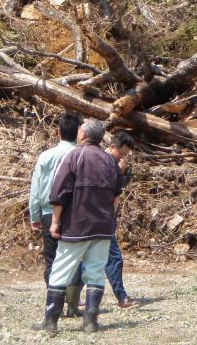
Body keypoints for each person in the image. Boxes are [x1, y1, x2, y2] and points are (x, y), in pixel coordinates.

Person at [35, 118, 123, 334]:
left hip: (77, 226)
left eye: (80, 129)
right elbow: (116, 194)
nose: (78, 132)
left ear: (83, 135)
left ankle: (50, 321)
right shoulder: (109, 159)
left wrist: (55, 221)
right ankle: (91, 321)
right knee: (95, 272)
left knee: (60, 270)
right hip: (103, 226)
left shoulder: (73, 156)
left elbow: (59, 193)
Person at [28, 112, 83, 318]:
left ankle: (54, 308)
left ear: (57, 131)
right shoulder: (80, 156)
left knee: (52, 260)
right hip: (75, 214)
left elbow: (36, 188)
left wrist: (35, 215)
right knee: (75, 258)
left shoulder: (45, 156)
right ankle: (73, 305)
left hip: (48, 213)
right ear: (78, 133)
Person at [104, 131, 136, 308]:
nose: (123, 157)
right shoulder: (107, 161)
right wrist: (121, 171)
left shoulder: (104, 160)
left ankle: (71, 297)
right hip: (103, 217)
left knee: (88, 259)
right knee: (114, 258)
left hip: (99, 216)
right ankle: (121, 297)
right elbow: (112, 185)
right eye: (122, 153)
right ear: (113, 146)